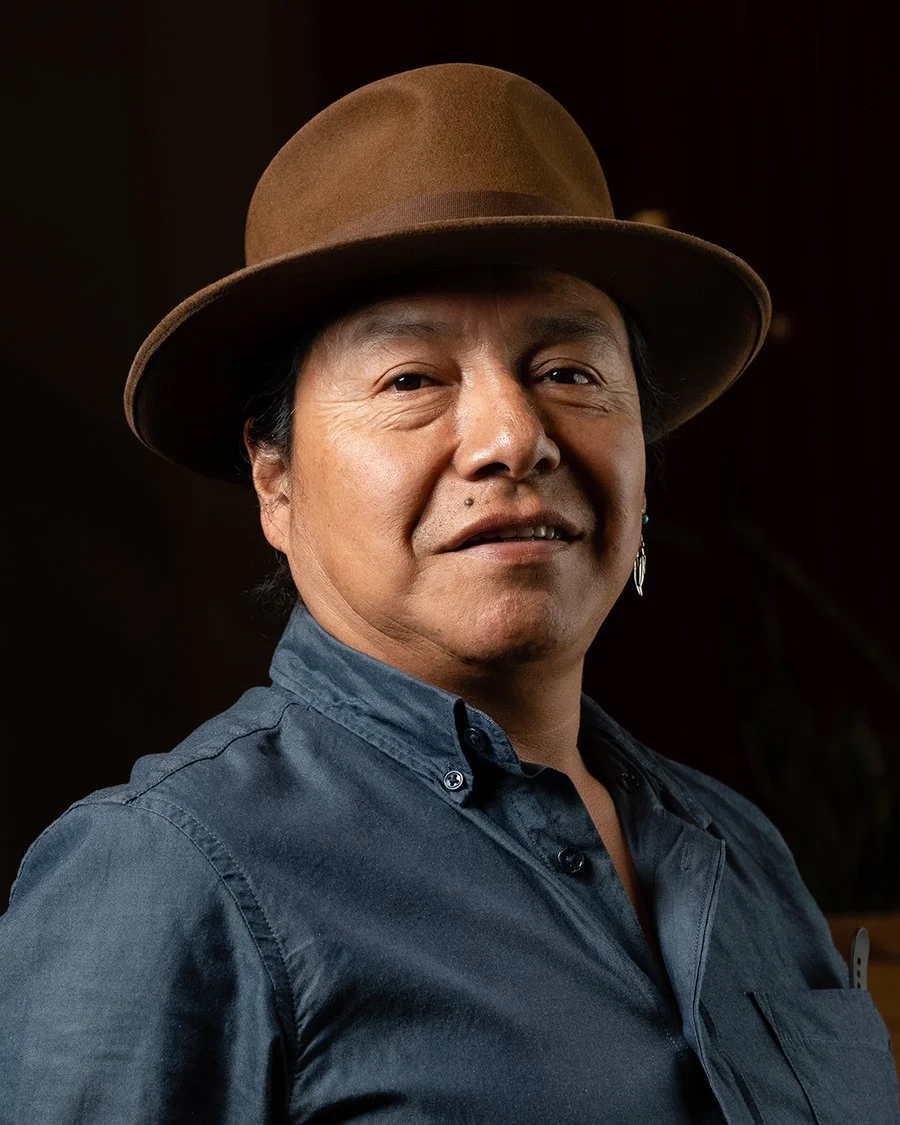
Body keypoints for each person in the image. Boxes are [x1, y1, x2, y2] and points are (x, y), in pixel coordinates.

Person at [1, 63, 897, 1125]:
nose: (515, 438)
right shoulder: (165, 876)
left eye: (569, 372)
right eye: (411, 380)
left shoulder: (740, 849)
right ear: (275, 480)